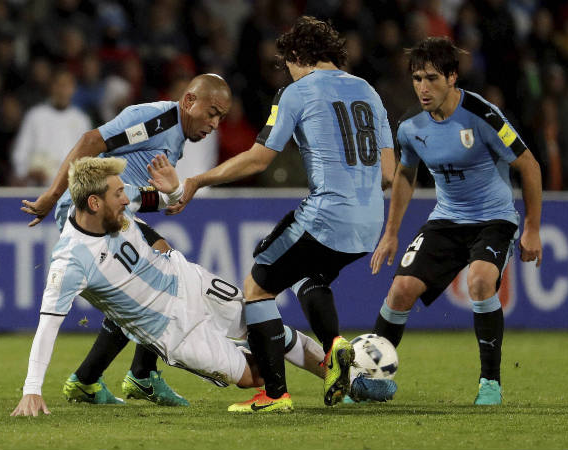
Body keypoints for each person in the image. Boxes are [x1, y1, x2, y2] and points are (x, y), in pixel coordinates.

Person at [166, 16, 397, 412]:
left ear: (296, 55)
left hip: (326, 214)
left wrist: (199, 180)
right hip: (370, 221)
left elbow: (259, 159)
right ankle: (335, 347)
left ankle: (275, 395)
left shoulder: (296, 92)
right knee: (309, 275)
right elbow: (389, 174)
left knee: (257, 286)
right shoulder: (368, 91)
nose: (287, 71)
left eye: (287, 63)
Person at [10, 155, 330, 417]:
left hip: (188, 281)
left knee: (267, 328)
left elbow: (165, 198)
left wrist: (174, 189)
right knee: (256, 375)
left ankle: (343, 376)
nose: (126, 198)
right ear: (94, 203)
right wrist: (32, 390)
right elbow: (47, 327)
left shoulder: (109, 197)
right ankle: (246, 353)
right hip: (173, 331)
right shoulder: (70, 262)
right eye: (118, 194)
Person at [20, 73, 232, 406]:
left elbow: (134, 185)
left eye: (221, 117)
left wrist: (167, 197)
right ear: (190, 101)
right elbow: (91, 141)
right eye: (212, 113)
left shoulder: (177, 134)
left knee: (141, 284)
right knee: (161, 270)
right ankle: (139, 375)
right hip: (90, 209)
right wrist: (51, 195)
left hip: (119, 213)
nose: (215, 124)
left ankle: (92, 379)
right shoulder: (157, 119)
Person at [370, 37, 543, 405]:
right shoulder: (410, 126)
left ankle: (490, 384)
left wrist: (531, 228)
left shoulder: (483, 115)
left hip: (493, 219)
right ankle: (370, 379)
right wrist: (391, 233)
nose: (423, 88)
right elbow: (406, 174)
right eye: (417, 78)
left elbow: (529, 165)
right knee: (400, 290)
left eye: (432, 78)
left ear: (452, 77)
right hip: (447, 219)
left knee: (479, 281)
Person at [11, 68, 91, 186]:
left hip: (70, 189)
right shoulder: (35, 116)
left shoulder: (81, 120)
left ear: (73, 89)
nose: (62, 90)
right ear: (51, 87)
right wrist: (28, 171)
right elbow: (19, 154)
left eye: (66, 85)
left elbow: (87, 157)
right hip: (37, 189)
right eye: (58, 85)